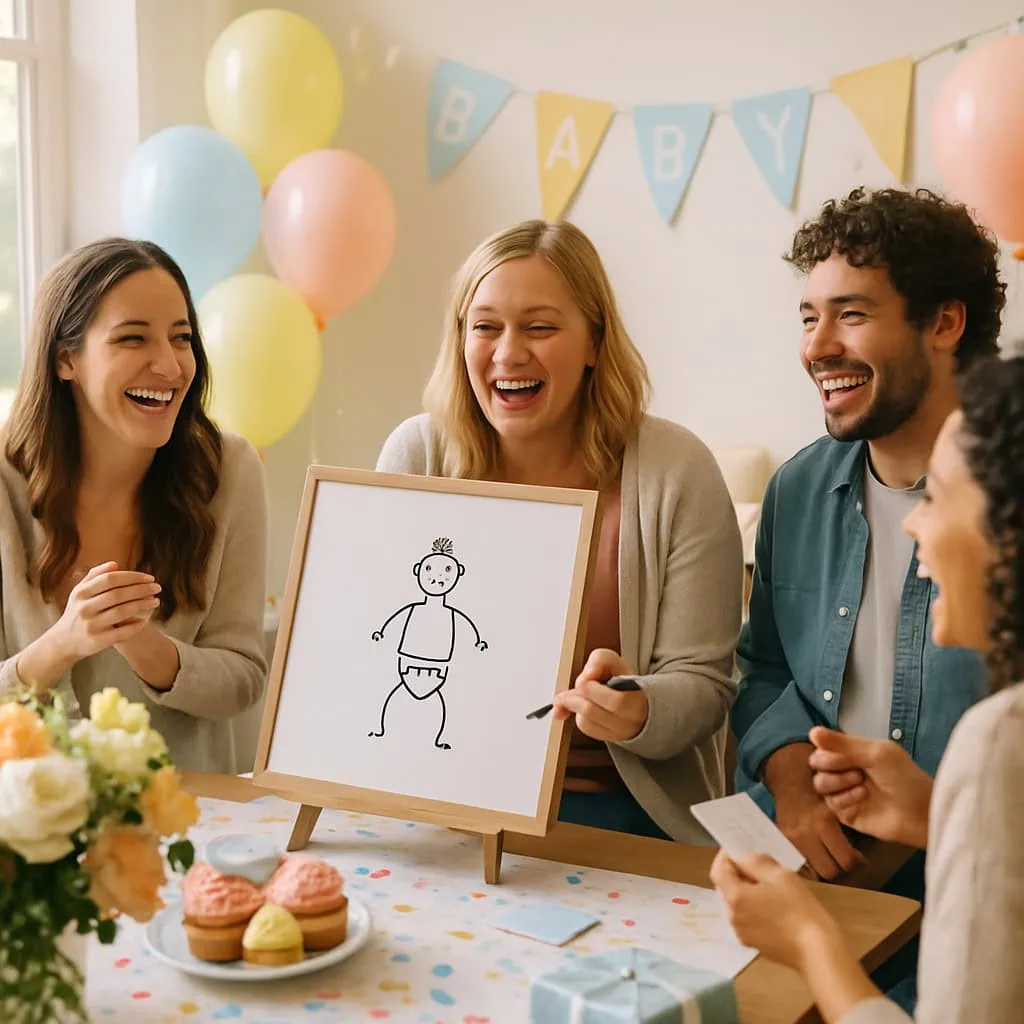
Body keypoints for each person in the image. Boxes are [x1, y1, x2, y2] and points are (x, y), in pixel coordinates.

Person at [376, 219, 743, 842]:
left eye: (540, 327)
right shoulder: (416, 454)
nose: (508, 352)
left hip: (622, 810)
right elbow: (368, 648)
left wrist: (638, 709)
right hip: (441, 796)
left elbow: (705, 685)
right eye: (484, 326)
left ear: (595, 341)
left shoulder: (677, 471)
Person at [729, 187, 1005, 1009]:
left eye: (850, 314)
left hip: (957, 885)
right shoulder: (797, 488)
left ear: (944, 324)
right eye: (808, 317)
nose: (819, 346)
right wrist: (788, 778)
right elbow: (765, 666)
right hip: (801, 871)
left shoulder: (1005, 506)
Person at [0, 237, 269, 773]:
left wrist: (146, 646)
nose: (169, 366)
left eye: (182, 338)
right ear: (65, 359)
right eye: (132, 338)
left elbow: (244, 682)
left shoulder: (230, 472)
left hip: (190, 821)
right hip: (31, 834)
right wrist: (65, 642)